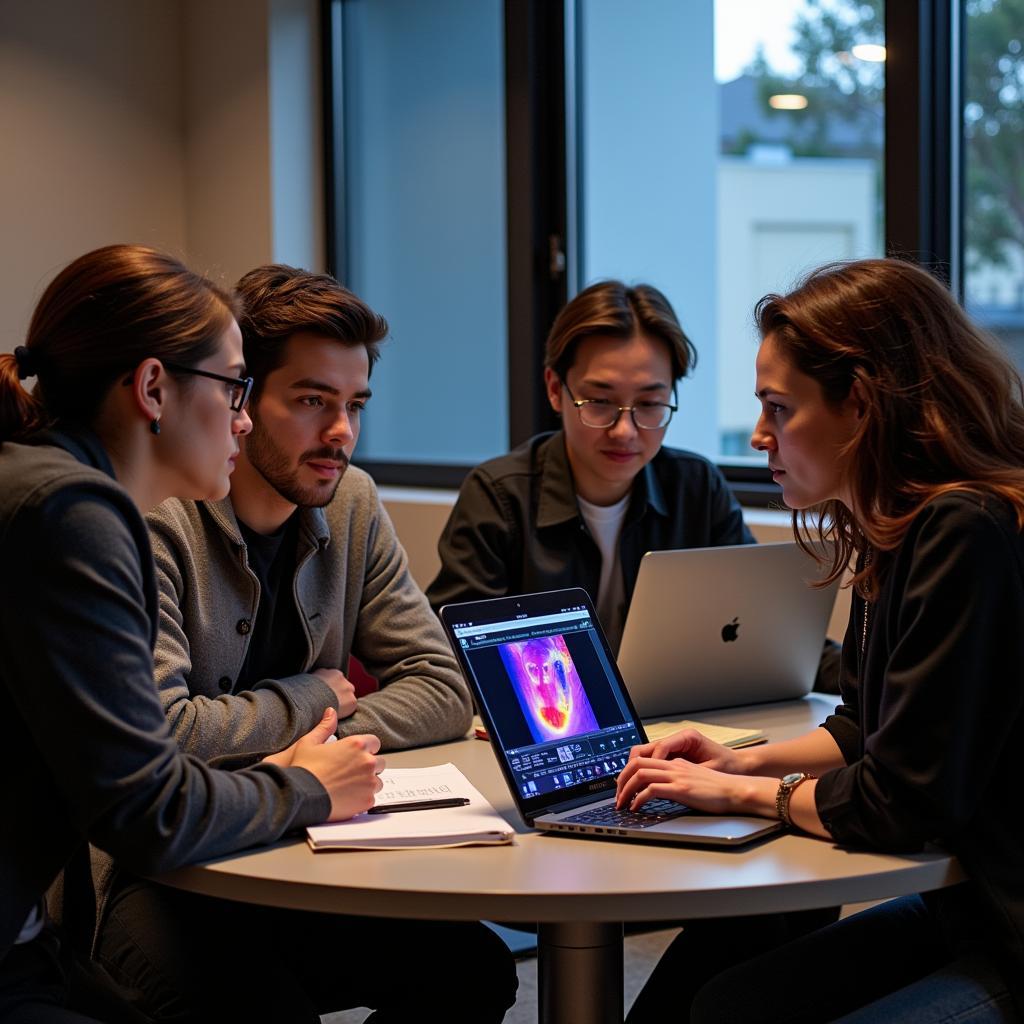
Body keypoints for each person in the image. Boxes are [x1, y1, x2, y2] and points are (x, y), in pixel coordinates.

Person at [92, 264, 516, 1023]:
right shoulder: (157, 519)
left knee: (473, 972)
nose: (341, 433)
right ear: (241, 399)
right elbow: (163, 733)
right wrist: (312, 696)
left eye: (355, 405)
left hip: (296, 847)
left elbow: (445, 688)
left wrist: (321, 752)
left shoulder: (350, 501)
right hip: (153, 875)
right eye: (313, 401)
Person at [616, 257, 1024, 1022]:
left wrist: (739, 792)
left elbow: (904, 804)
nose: (762, 434)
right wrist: (737, 757)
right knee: (722, 1004)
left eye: (779, 407)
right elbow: (861, 729)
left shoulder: (965, 530)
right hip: (972, 906)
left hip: (1009, 927)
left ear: (862, 406)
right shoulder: (893, 530)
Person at [0, 245, 385, 1022]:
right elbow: (150, 813)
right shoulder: (75, 516)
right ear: (152, 389)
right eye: (235, 388)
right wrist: (310, 786)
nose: (243, 419)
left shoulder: (41, 483)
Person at [425, 279, 839, 691]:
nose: (625, 431)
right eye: (600, 402)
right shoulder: (499, 496)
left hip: (674, 727)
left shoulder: (695, 487)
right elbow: (458, 658)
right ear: (555, 390)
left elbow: (762, 628)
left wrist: (876, 686)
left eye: (649, 404)